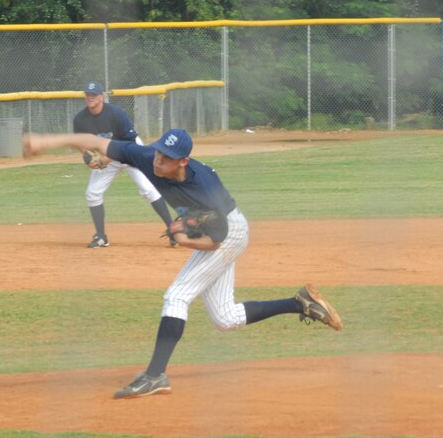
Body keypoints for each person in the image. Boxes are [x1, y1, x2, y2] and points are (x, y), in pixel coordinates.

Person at [23, 128, 344, 399]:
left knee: (176, 296)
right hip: (213, 228)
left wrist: (183, 238)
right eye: (159, 153)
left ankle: (155, 375)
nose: (158, 161)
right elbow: (93, 140)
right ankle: (300, 302)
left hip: (227, 232)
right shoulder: (146, 157)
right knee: (225, 318)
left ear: (183, 161)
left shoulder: (204, 189)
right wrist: (44, 143)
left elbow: (216, 241)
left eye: (166, 157)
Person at [72, 81, 174, 248]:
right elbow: (79, 141)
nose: (90, 98)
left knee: (148, 189)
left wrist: (110, 158)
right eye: (88, 95)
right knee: (92, 193)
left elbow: (129, 141)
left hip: (131, 152)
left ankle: (173, 231)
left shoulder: (117, 114)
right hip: (106, 154)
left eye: (94, 95)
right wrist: (87, 157)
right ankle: (101, 237)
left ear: (101, 97)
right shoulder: (81, 119)